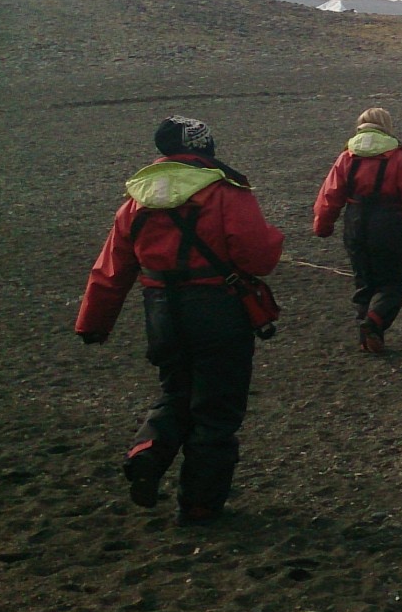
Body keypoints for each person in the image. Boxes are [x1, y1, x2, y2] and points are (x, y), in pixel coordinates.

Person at [76, 116, 285, 524]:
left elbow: (111, 269)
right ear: (206, 149)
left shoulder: (136, 200)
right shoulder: (226, 193)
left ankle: (148, 451)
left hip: (160, 309)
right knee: (216, 407)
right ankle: (200, 502)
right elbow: (259, 257)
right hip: (217, 308)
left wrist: (93, 324)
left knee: (176, 392)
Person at [312, 107, 402, 353]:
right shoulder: (397, 156)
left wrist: (322, 225)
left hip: (355, 221)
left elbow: (330, 194)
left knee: (364, 282)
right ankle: (374, 323)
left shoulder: (347, 156)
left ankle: (367, 336)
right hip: (387, 221)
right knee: (393, 284)